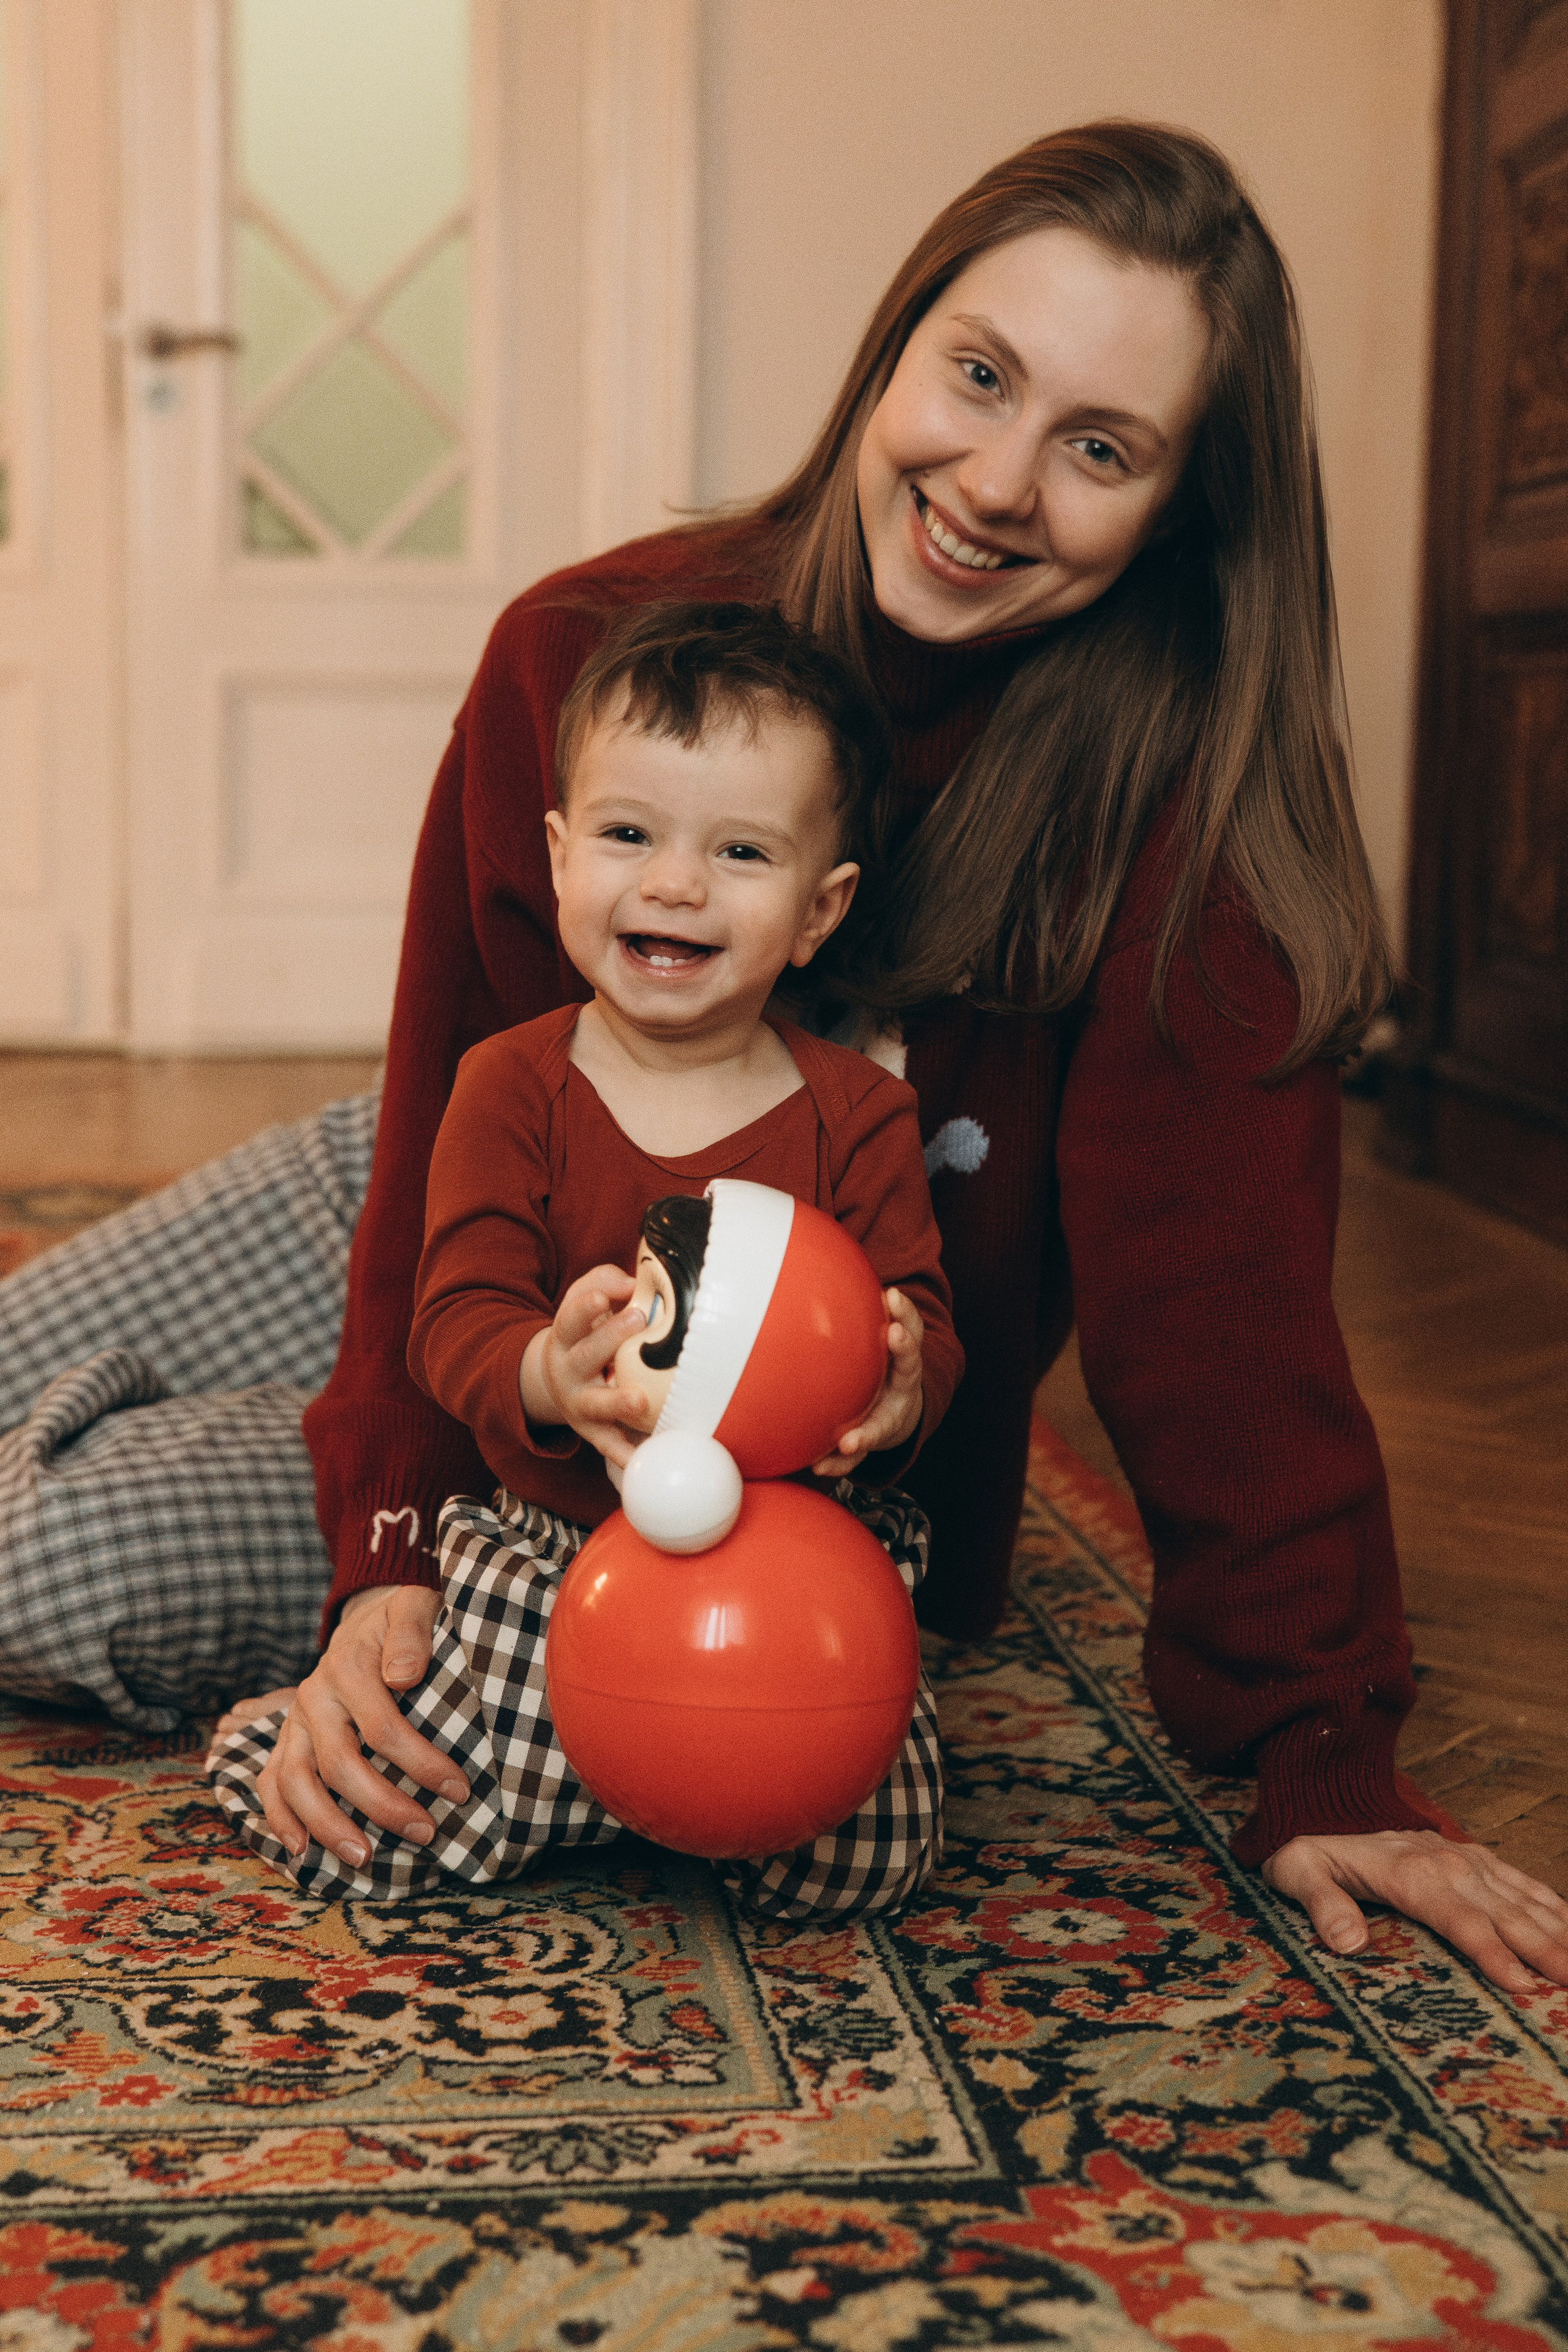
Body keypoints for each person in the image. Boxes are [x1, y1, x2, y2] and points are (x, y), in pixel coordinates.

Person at [4, 121, 1566, 1990]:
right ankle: (189, 1422)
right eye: (979, 375)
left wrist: (1322, 1739)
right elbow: (436, 1121)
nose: (996, 482)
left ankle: (144, 1454)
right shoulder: (581, 652)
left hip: (673, 1489)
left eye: (1101, 449)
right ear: (896, 346)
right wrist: (383, 1549)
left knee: (50, 1554)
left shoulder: (1182, 830)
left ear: (1179, 513)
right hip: (467, 1214)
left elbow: (1225, 1311)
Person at [206, 600, 961, 1917]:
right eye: (627, 836)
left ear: (819, 910)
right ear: (558, 859)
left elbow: (923, 1324)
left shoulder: (859, 1114)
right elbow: (452, 1316)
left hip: (786, 1586)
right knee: (371, 1835)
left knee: (871, 1863)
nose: (673, 884)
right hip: (557, 1568)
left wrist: (901, 1386)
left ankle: (713, 1805)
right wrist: (546, 1376)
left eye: (740, 852)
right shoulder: (508, 1084)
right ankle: (288, 1734)